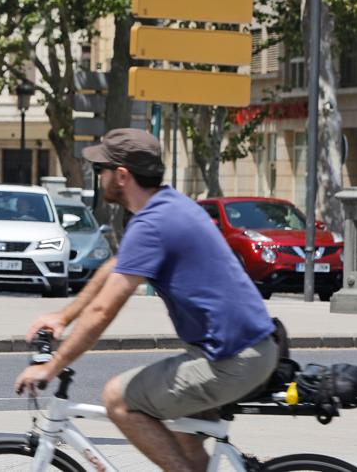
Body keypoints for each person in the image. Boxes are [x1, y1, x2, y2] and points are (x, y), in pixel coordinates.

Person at [14, 128, 278, 472]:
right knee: (186, 440)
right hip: (239, 350)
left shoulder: (154, 223)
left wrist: (53, 365)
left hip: (232, 359)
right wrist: (63, 317)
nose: (100, 178)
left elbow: (103, 310)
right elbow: (116, 266)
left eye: (101, 170)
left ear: (121, 176)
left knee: (117, 399)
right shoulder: (167, 207)